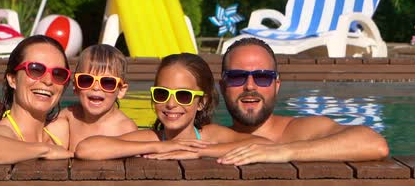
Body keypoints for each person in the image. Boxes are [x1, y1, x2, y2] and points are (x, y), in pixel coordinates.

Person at [216, 37, 390, 165]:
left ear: (276, 86)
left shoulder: (302, 131)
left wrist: (282, 151)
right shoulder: (210, 137)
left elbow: (375, 144)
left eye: (262, 77)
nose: (250, 86)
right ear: (223, 87)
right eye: (237, 77)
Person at [75, 53, 271, 160]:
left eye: (183, 95)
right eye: (162, 94)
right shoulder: (152, 137)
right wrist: (161, 147)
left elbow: (266, 144)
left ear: (201, 101)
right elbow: (86, 149)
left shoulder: (209, 136)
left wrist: (199, 151)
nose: (170, 104)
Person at [0, 44, 137, 151]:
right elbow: (31, 131)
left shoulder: (125, 128)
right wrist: (6, 112)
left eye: (108, 83)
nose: (96, 87)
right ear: (75, 86)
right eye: (86, 80)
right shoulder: (69, 117)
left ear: (121, 90)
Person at [0, 35, 74, 164]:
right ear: (13, 79)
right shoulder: (5, 132)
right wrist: (46, 150)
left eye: (58, 74)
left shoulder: (61, 130)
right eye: (35, 69)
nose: (47, 81)